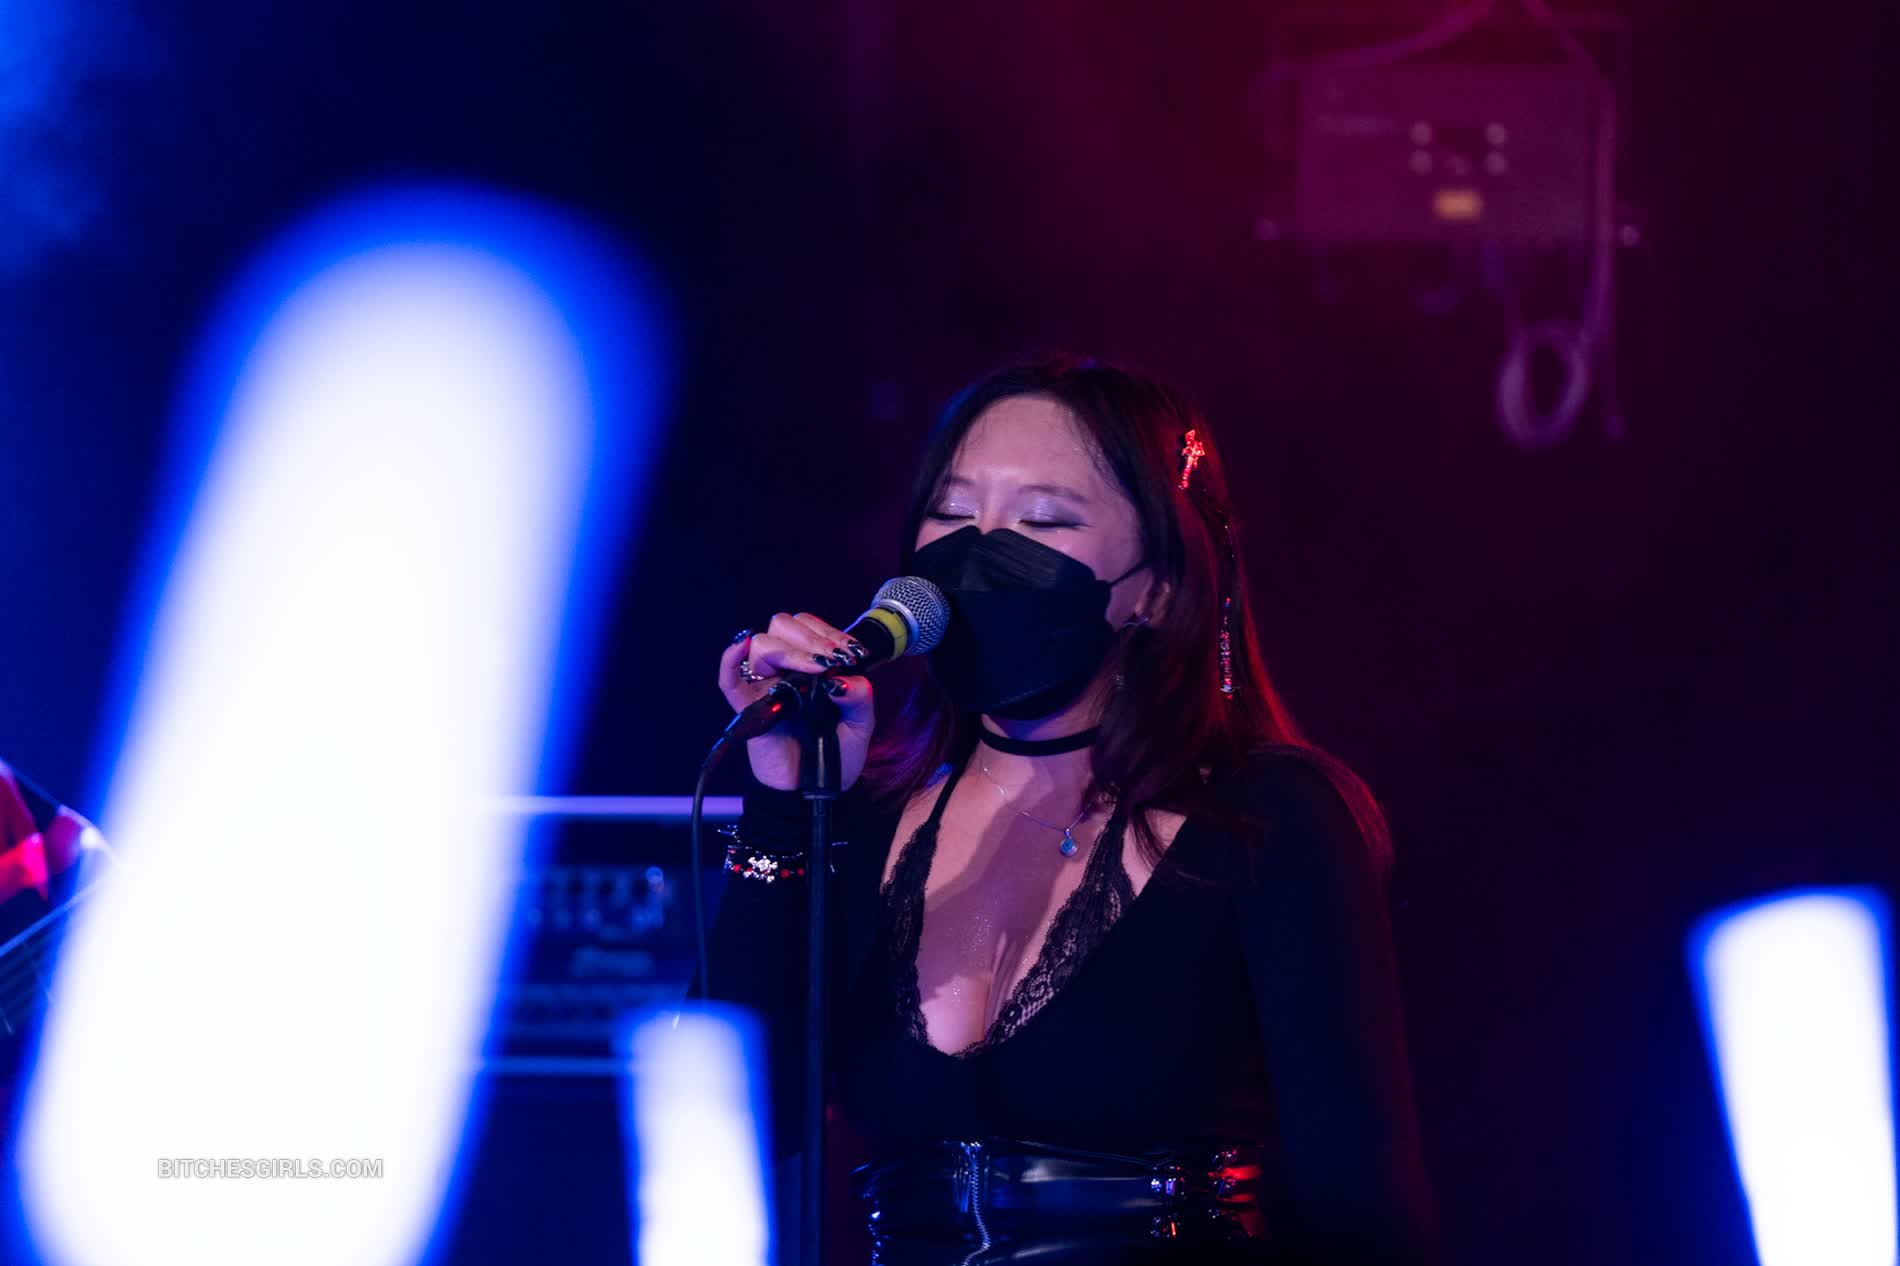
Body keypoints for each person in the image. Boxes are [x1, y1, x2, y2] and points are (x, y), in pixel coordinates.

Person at [705, 357, 1440, 1264]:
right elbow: (729, 1124)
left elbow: (1361, 1200)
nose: (978, 551)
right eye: (952, 511)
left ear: (1155, 589)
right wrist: (784, 805)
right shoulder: (865, 816)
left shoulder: (1266, 819)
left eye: (1043, 520)